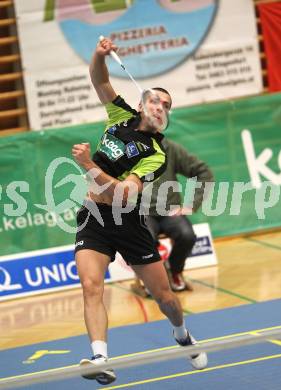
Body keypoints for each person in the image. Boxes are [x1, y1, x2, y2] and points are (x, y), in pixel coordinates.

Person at [72, 37, 207, 385]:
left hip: (128, 221)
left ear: (166, 116)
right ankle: (100, 357)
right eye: (156, 99)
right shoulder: (120, 116)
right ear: (143, 102)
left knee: (165, 298)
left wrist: (89, 165)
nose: (160, 105)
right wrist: (99, 54)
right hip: (93, 216)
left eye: (166, 104)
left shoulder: (156, 153)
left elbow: (125, 194)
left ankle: (181, 334)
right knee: (91, 286)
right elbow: (99, 80)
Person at [145, 138, 214, 292]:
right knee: (143, 238)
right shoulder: (124, 149)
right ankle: (154, 277)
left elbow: (204, 173)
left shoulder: (169, 148)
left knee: (187, 235)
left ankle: (174, 270)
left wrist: (192, 205)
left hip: (170, 210)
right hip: (140, 212)